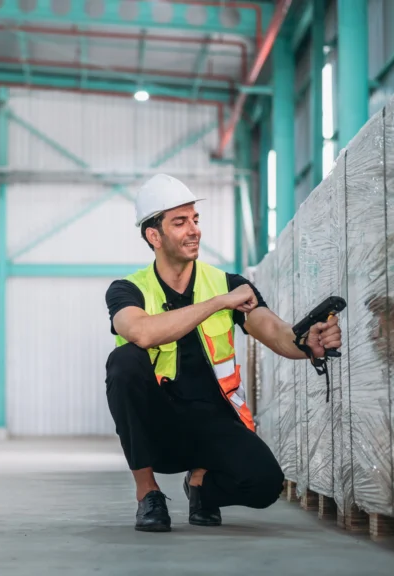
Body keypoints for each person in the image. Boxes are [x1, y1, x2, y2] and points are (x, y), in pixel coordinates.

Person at [105, 174, 343, 532]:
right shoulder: (128, 289)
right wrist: (217, 304)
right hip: (158, 426)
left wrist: (306, 342)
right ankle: (148, 492)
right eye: (180, 222)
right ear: (154, 236)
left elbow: (274, 332)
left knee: (265, 485)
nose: (194, 230)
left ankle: (201, 486)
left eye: (195, 220)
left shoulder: (228, 284)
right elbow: (139, 331)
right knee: (123, 362)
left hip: (212, 419)